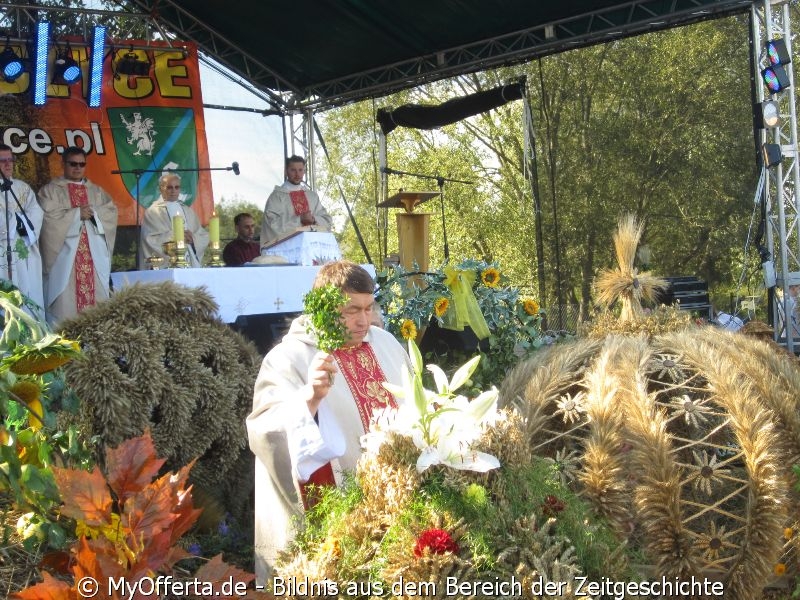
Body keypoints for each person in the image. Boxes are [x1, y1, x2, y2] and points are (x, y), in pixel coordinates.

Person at [246, 260, 411, 583]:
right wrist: (309, 400)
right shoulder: (289, 359)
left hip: (398, 501)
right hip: (334, 511)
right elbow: (263, 430)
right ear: (324, 305)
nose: (363, 321)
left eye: (368, 308)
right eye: (351, 310)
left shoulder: (387, 344)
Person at [38, 147, 117, 325]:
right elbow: (47, 218)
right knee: (65, 306)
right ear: (63, 164)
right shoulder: (50, 191)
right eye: (73, 164)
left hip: (92, 255)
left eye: (82, 164)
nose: (77, 168)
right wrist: (75, 215)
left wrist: (93, 213)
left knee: (96, 310)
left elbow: (110, 212)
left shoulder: (96, 191)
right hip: (65, 260)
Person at [0, 145, 44, 315]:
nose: (8, 164)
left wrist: (18, 222)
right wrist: (15, 221)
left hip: (22, 248)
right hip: (3, 249)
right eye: (2, 161)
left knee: (27, 291)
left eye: (10, 159)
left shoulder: (22, 187)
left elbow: (36, 213)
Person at [140, 173, 209, 268]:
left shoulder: (188, 211)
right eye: (169, 187)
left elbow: (203, 235)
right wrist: (175, 236)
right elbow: (150, 239)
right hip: (166, 266)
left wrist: (193, 239)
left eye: (177, 187)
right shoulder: (153, 212)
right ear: (161, 189)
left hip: (189, 262)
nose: (173, 191)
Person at [260, 155, 332, 245]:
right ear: (286, 172)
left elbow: (327, 221)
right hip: (288, 248)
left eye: (300, 170)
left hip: (312, 246)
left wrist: (313, 219)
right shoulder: (276, 197)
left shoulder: (312, 196)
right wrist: (299, 220)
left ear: (304, 172)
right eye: (293, 170)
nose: (297, 174)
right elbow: (271, 226)